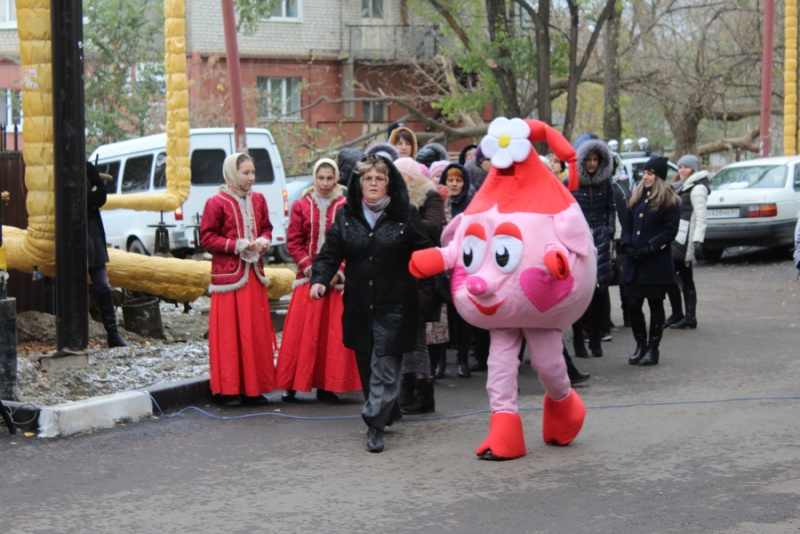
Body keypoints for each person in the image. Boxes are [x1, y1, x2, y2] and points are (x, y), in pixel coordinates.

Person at [310, 154, 432, 453]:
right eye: (368, 178)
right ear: (359, 183)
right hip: (360, 304)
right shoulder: (347, 216)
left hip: (397, 304)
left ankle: (374, 423)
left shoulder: (405, 216)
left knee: (386, 367)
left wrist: (430, 292)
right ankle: (387, 410)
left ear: (389, 184)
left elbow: (427, 253)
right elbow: (330, 252)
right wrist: (321, 279)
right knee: (368, 363)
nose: (373, 183)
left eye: (379, 178)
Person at [276, 158, 361, 403]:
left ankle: (327, 385)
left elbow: (351, 242)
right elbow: (293, 241)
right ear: (314, 178)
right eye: (320, 178)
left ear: (337, 179)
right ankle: (291, 384)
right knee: (300, 334)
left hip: (336, 282)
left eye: (330, 178)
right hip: (307, 278)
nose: (325, 183)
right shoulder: (301, 205)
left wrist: (338, 272)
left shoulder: (347, 206)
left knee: (330, 335)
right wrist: (309, 268)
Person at [200, 153, 276, 406]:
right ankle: (229, 389)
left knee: (252, 332)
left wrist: (263, 241)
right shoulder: (216, 202)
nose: (251, 178)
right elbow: (207, 238)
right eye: (246, 173)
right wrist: (238, 245)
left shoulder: (259, 200)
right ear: (232, 173)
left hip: (253, 276)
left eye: (253, 172)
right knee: (230, 335)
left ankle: (253, 388)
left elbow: (266, 227)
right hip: (228, 279)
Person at [393, 157, 444, 414]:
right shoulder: (394, 201)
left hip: (423, 277)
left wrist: (404, 220)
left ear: (411, 178)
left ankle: (423, 393)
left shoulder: (430, 197)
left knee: (417, 338)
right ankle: (408, 389)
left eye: (399, 177)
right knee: (406, 336)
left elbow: (432, 228)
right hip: (402, 276)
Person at [621, 156, 681, 366]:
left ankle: (653, 349)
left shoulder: (669, 200)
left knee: (655, 305)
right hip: (634, 262)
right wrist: (627, 245)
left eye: (650, 173)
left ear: (659, 177)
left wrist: (650, 248)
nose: (645, 177)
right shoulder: (636, 198)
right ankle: (640, 345)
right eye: (645, 173)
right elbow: (627, 225)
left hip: (655, 262)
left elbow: (669, 231)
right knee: (633, 304)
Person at [567, 139, 616, 358]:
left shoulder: (605, 182)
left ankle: (596, 337)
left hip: (600, 238)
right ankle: (578, 338)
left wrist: (609, 229)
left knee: (599, 290)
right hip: (577, 240)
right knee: (578, 291)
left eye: (596, 159)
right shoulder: (570, 181)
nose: (592, 163)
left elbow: (610, 208)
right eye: (589, 159)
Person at [86, 162, 129, 348]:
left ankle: (113, 335)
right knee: (74, 288)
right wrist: (90, 195)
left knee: (103, 284)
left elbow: (101, 195)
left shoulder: (87, 167)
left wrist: (87, 196)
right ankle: (77, 338)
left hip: (92, 233)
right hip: (71, 235)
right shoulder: (57, 168)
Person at [665, 154, 709, 330]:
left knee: (681, 277)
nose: (682, 170)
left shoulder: (697, 188)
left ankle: (688, 316)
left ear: (693, 169)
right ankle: (680, 314)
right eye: (680, 167)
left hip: (686, 241)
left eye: (686, 167)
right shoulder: (681, 186)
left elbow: (700, 217)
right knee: (677, 276)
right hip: (677, 239)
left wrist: (698, 241)